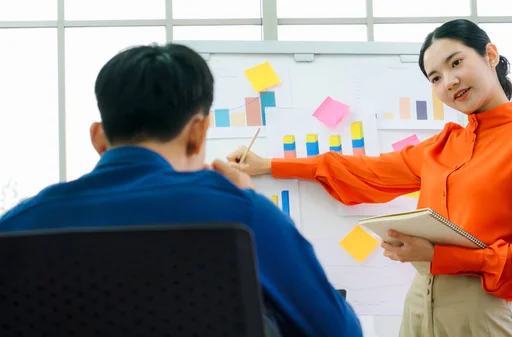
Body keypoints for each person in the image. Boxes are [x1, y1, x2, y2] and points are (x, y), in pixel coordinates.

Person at [226, 19, 512, 337]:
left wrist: (437, 255)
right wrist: (269, 165)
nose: (449, 82)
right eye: (435, 78)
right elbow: (361, 171)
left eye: (456, 63)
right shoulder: (442, 147)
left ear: (490, 55)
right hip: (419, 304)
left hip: (482, 311)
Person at [0, 43, 363, 337]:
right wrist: (246, 198)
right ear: (198, 132)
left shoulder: (18, 224)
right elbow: (338, 331)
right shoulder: (241, 214)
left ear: (98, 137)